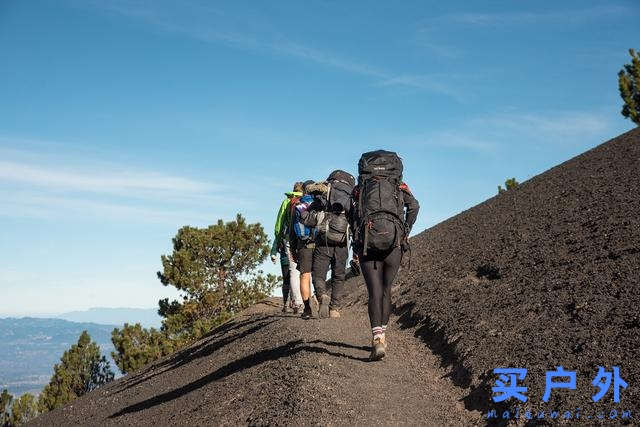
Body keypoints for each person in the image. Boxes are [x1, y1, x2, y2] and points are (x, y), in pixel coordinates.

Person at [350, 150, 419, 361]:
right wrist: (404, 231)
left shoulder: (360, 189)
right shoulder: (398, 186)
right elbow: (414, 206)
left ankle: (376, 338)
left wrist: (356, 237)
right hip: (393, 243)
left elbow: (351, 213)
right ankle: (383, 335)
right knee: (386, 290)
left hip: (367, 244)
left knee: (374, 292)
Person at [302, 170, 355, 318]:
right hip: (342, 242)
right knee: (339, 275)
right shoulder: (350, 197)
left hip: (322, 241)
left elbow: (308, 219)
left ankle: (322, 296)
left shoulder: (324, 194)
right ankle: (334, 309)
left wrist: (306, 215)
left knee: (318, 274)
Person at [270, 182, 304, 313]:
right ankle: (304, 300)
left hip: (287, 241)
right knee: (303, 272)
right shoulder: (306, 201)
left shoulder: (287, 202)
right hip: (304, 241)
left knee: (289, 272)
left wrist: (275, 245)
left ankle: (288, 303)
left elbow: (278, 225)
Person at [290, 180, 318, 319]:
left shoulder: (298, 205)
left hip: (303, 244)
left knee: (304, 275)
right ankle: (323, 305)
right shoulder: (320, 204)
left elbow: (292, 230)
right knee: (319, 275)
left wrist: (293, 249)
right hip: (319, 243)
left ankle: (307, 309)